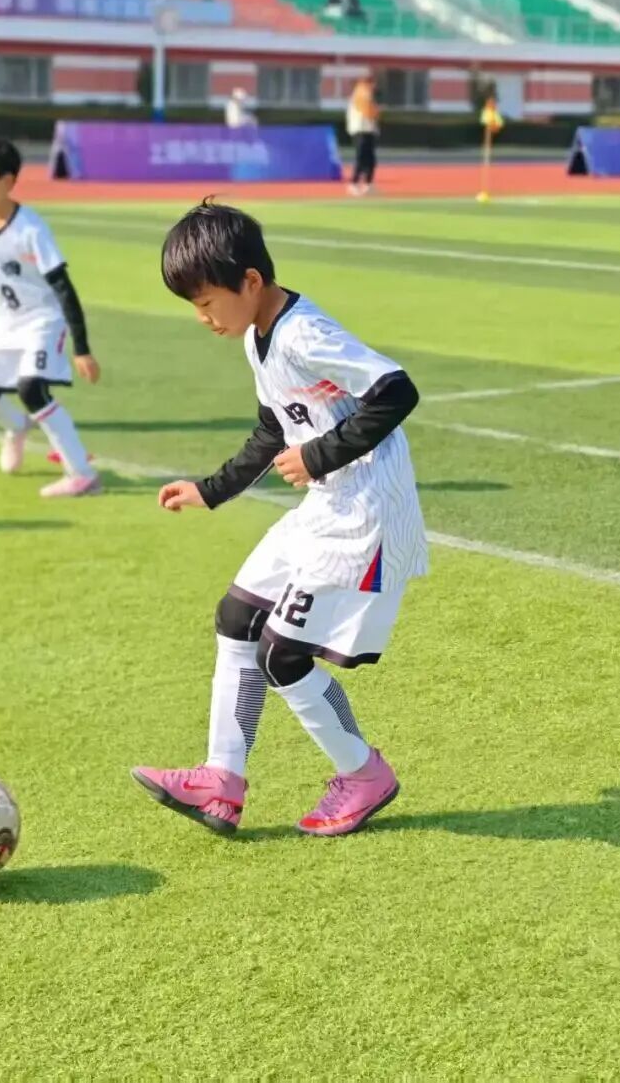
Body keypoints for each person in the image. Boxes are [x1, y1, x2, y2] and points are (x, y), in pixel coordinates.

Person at [133, 202, 428, 836]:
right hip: (326, 505)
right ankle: (222, 780)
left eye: (207, 302)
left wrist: (320, 454)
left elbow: (396, 390)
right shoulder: (256, 337)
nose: (203, 317)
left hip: (366, 513)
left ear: (250, 281)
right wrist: (211, 490)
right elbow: (274, 430)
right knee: (236, 617)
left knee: (283, 655)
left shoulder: (304, 334)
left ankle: (364, 774)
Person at [0, 135, 102, 499]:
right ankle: (16, 426)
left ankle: (81, 474)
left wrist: (81, 348)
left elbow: (63, 287)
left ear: (7, 181)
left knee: (31, 388)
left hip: (42, 318)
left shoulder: (31, 228)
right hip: (3, 320)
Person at [346, 74, 380, 196]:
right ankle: (353, 183)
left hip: (367, 129)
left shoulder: (365, 93)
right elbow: (368, 111)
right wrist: (376, 111)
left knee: (370, 159)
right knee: (361, 158)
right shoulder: (362, 92)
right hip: (360, 129)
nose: (375, 87)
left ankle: (368, 184)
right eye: (374, 84)